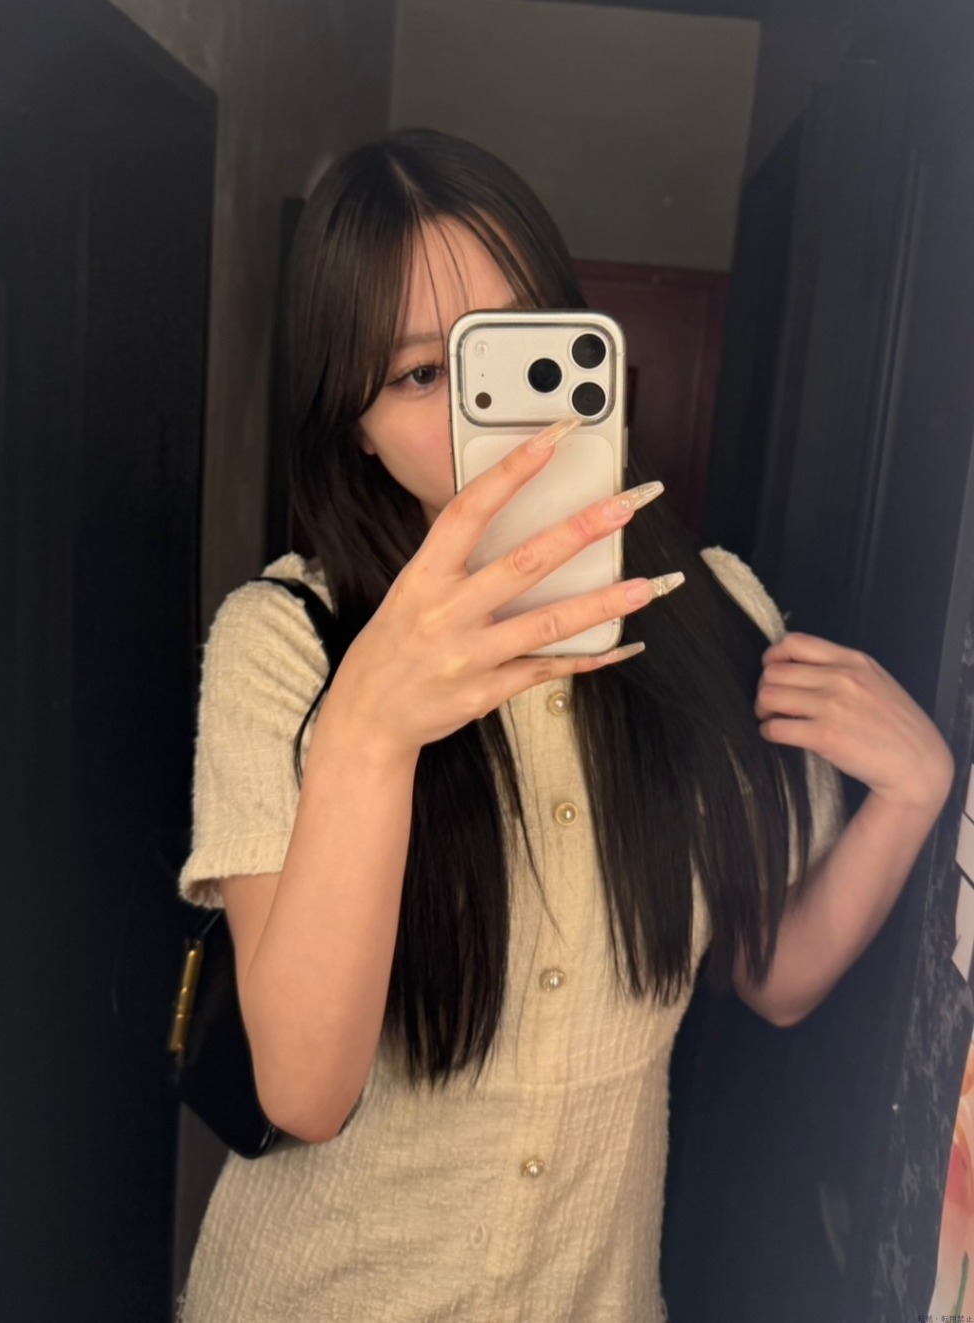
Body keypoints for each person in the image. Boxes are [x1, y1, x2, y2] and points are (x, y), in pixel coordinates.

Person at [176, 129, 954, 1322]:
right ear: (354, 425)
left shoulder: (715, 613)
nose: (490, 418)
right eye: (419, 374)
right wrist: (369, 733)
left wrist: (910, 797)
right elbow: (304, 1091)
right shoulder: (284, 646)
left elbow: (773, 973)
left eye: (513, 346)